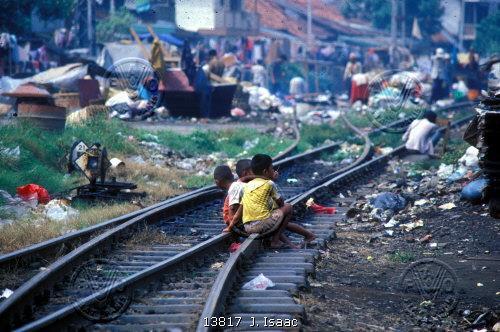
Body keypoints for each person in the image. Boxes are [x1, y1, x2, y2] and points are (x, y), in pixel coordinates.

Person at [224, 154, 315, 249]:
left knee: (277, 219)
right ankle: (276, 241)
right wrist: (272, 180)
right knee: (288, 207)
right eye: (272, 168)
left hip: (248, 227)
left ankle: (295, 244)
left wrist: (230, 227)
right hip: (258, 225)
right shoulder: (268, 183)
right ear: (265, 171)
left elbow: (240, 209)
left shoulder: (247, 186)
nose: (274, 171)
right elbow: (281, 203)